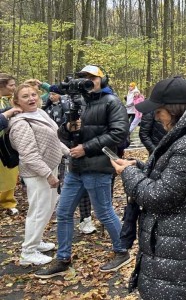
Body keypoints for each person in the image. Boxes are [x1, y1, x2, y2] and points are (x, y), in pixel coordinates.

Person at [111, 76, 186, 299]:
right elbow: (170, 175)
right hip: (170, 243)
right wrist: (138, 166)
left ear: (173, 109)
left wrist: (128, 173)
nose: (155, 116)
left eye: (158, 111)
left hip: (178, 247)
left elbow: (159, 196)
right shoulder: (182, 136)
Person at [35, 65, 130, 279]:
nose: (87, 81)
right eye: (83, 77)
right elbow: (62, 134)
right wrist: (69, 129)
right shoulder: (78, 101)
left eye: (92, 77)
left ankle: (122, 251)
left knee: (104, 211)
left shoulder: (112, 102)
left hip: (98, 166)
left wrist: (86, 148)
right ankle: (63, 258)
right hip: (76, 168)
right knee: (64, 212)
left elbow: (119, 133)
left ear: (101, 79)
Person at [8, 83, 70, 266]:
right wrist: (48, 175)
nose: (31, 98)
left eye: (34, 94)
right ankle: (28, 252)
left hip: (50, 167)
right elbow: (29, 154)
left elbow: (53, 138)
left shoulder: (40, 113)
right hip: (37, 174)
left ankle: (36, 241)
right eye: (25, 96)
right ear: (16, 101)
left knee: (47, 209)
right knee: (38, 211)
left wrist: (68, 152)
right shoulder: (20, 122)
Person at [43, 85, 96, 234]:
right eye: (50, 94)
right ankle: (65, 216)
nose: (51, 96)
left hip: (80, 151)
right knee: (65, 184)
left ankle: (86, 219)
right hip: (60, 150)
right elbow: (59, 132)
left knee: (84, 190)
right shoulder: (46, 109)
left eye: (55, 93)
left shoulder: (86, 105)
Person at [0, 72, 19, 216]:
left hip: (6, 145)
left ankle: (8, 202)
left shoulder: (8, 100)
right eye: (11, 85)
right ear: (2, 86)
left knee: (10, 173)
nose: (14, 88)